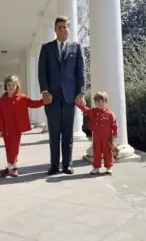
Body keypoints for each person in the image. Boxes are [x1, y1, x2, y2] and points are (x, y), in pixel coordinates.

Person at [38, 16, 86, 175]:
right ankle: (53, 165)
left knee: (67, 132)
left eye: (65, 27)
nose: (63, 29)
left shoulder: (76, 47)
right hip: (52, 97)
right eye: (60, 27)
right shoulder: (46, 48)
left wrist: (81, 91)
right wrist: (44, 91)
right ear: (55, 29)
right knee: (53, 132)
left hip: (69, 97)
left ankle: (67, 164)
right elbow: (42, 72)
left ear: (69, 29)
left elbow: (81, 72)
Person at [0, 75, 47, 177]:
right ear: (5, 86)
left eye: (13, 85)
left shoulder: (22, 98)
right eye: (9, 85)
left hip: (16, 128)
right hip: (6, 129)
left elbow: (33, 104)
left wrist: (43, 101)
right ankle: (10, 166)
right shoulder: (1, 101)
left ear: (17, 86)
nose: (11, 87)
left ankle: (13, 167)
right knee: (8, 148)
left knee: (14, 148)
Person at [76, 91, 118, 175]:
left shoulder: (110, 113)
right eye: (98, 102)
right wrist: (79, 104)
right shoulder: (93, 111)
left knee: (107, 153)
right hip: (97, 137)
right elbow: (86, 110)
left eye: (103, 101)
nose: (100, 103)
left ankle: (108, 167)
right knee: (97, 152)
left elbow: (114, 125)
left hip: (107, 138)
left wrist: (114, 136)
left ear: (106, 102)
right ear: (95, 102)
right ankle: (96, 167)